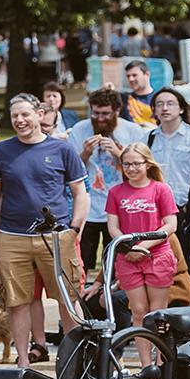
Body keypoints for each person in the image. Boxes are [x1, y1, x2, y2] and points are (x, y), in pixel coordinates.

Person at [0, 95, 86, 367]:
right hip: (12, 236)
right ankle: (22, 361)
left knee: (66, 298)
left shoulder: (63, 149)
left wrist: (74, 229)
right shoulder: (0, 151)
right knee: (17, 302)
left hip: (56, 236)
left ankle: (72, 359)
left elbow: (80, 193)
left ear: (39, 114)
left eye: (25, 114)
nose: (19, 120)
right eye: (14, 116)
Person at [105, 143, 176, 370]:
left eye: (137, 163)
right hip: (128, 257)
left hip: (157, 255)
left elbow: (170, 224)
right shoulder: (116, 192)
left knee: (157, 314)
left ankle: (161, 362)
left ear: (147, 164)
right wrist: (130, 248)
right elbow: (113, 226)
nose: (132, 168)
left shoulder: (160, 189)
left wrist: (145, 245)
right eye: (127, 164)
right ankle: (146, 365)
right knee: (138, 311)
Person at [70, 88, 147, 274]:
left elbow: (143, 171)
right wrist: (85, 153)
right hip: (89, 206)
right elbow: (70, 170)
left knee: (117, 260)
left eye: (105, 113)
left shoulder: (133, 131)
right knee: (83, 260)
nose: (100, 118)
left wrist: (119, 154)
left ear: (117, 111)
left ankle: (112, 298)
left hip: (121, 206)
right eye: (95, 113)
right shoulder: (79, 129)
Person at [115, 60, 158, 126]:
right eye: (128, 76)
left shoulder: (159, 98)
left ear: (147, 74)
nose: (131, 79)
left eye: (134, 75)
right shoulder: (123, 99)